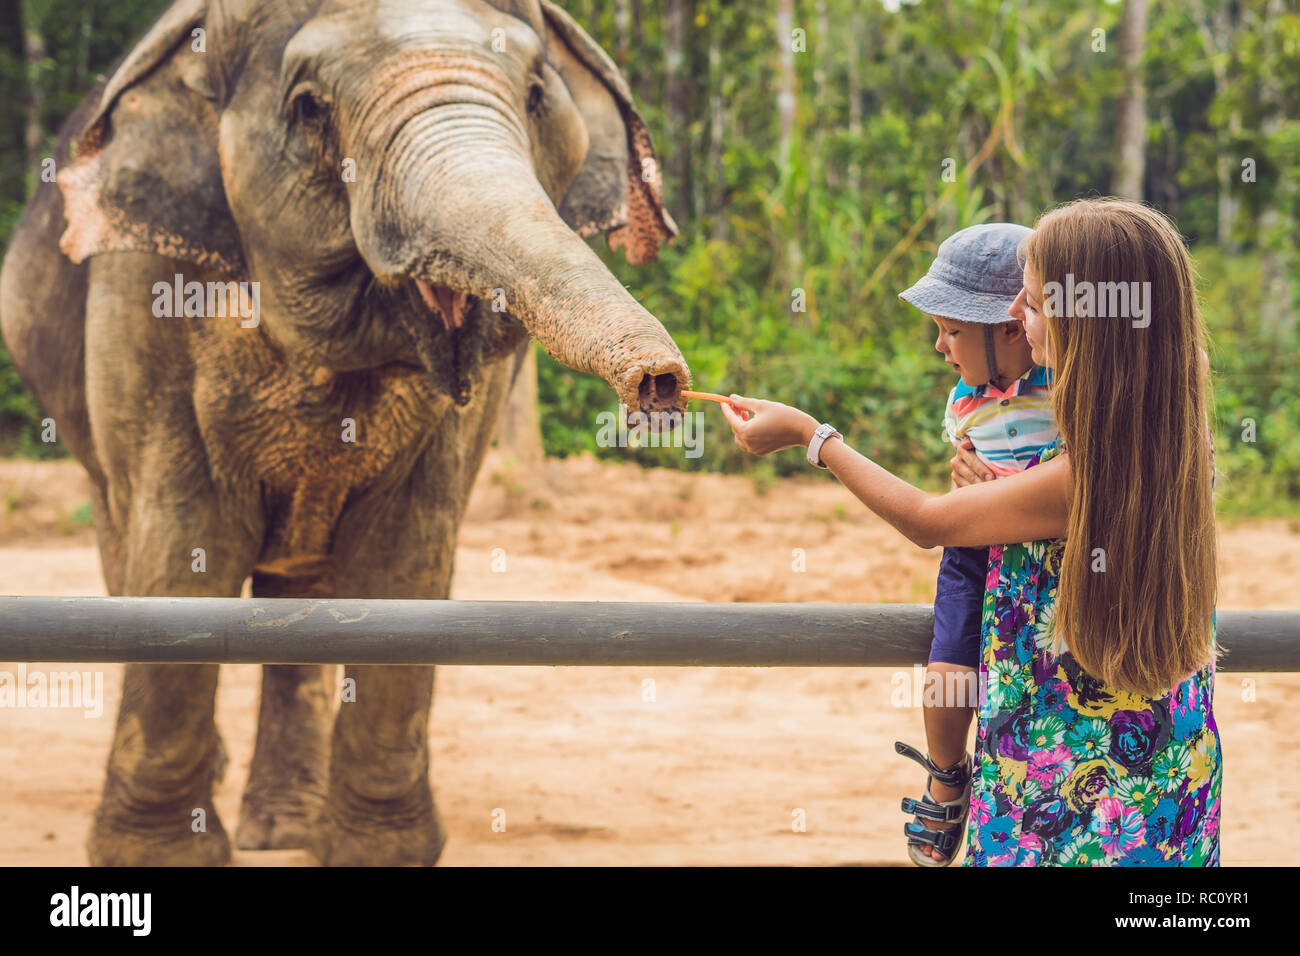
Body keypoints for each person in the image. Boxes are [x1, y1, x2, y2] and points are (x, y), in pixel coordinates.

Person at [721, 198, 1221, 866]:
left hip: (1064, 780)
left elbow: (927, 524)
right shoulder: (1170, 439)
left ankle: (942, 777)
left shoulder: (1085, 471)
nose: (1014, 315)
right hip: (1171, 768)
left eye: (1034, 304)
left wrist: (811, 437)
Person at [893, 222, 1060, 866]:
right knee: (948, 666)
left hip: (1052, 552)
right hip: (975, 545)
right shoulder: (964, 400)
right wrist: (964, 482)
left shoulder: (1069, 390)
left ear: (1014, 328)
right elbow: (961, 482)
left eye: (952, 329)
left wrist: (817, 440)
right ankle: (945, 773)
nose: (939, 346)